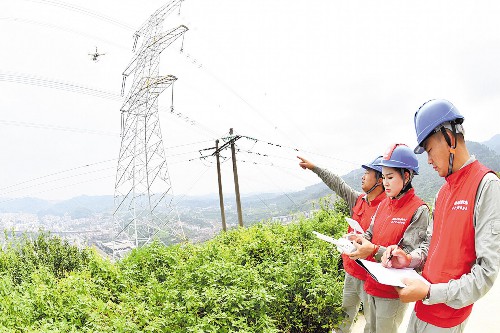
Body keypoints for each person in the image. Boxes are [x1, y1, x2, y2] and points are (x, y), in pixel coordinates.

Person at [382, 99, 500, 333]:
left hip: (446, 318)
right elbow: (431, 246)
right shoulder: (443, 193)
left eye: (429, 150)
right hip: (422, 308)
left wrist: (429, 292)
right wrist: (409, 260)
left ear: (449, 137)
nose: (428, 160)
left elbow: (486, 273)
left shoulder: (486, 186)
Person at [298, 155, 386, 333]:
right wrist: (315, 167)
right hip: (351, 271)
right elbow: (337, 184)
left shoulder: (386, 207)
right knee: (343, 317)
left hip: (370, 276)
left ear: (381, 179)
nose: (363, 176)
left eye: (368, 172)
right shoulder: (358, 199)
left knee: (371, 323)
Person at [347, 143, 430, 333]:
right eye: (383, 177)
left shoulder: (419, 209)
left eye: (390, 177)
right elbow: (370, 233)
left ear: (407, 176)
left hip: (392, 292)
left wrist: (375, 250)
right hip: (372, 283)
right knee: (370, 329)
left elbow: (409, 256)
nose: (385, 182)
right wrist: (358, 238)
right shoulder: (384, 204)